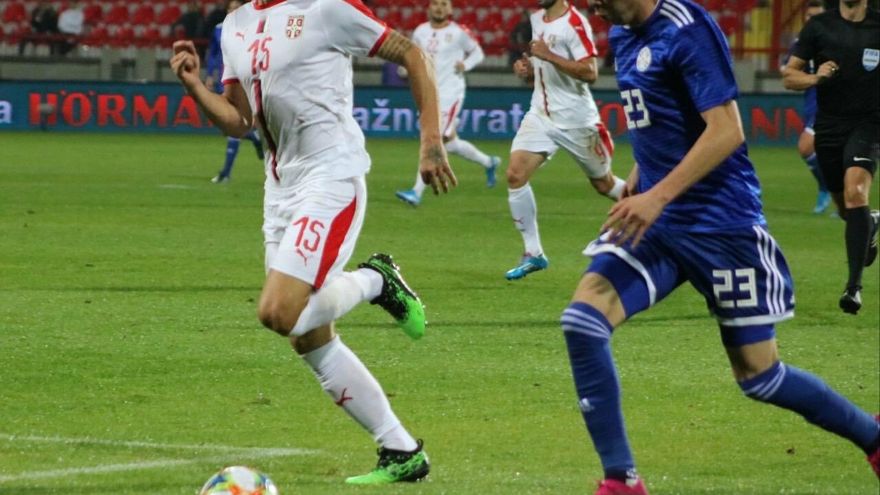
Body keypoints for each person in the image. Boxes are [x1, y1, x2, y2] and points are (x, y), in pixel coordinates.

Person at [562, 0, 880, 493]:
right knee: (583, 322)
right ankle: (622, 480)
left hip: (720, 224)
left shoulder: (687, 28)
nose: (593, 6)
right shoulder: (623, 33)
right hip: (659, 224)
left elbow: (727, 129)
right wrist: (642, 177)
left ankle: (874, 439)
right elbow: (663, 121)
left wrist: (657, 195)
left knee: (760, 377)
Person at [169, 0, 456, 484]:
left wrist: (431, 140)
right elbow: (240, 121)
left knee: (278, 313)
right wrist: (195, 86)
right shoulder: (234, 26)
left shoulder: (326, 9)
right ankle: (401, 450)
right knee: (307, 336)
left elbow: (413, 54)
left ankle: (375, 280)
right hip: (280, 191)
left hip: (332, 177)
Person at [504, 0, 626, 281]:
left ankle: (655, 211)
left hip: (576, 119)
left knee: (604, 184)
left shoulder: (575, 23)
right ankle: (533, 253)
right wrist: (528, 70)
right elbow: (542, 70)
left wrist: (548, 56)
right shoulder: (536, 19)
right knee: (515, 175)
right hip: (541, 113)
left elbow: (590, 72)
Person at [783, 0, 879, 314]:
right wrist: (816, 78)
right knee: (846, 207)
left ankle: (853, 288)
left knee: (856, 192)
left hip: (869, 125)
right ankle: (869, 223)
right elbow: (789, 76)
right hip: (829, 127)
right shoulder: (819, 26)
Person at [394, 0, 500, 207]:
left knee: (433, 137)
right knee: (449, 143)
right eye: (435, 3)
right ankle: (489, 162)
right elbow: (414, 55)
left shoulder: (459, 32)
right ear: (429, 8)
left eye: (444, 4)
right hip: (429, 92)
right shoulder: (420, 31)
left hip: (451, 93)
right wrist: (407, 68)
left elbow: (478, 52)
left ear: (450, 9)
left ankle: (416, 192)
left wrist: (465, 64)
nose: (439, 7)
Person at [203, 0, 264, 184]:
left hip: (243, 80)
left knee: (233, 125)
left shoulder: (253, 27)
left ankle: (226, 173)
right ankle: (255, 138)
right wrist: (210, 75)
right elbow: (213, 54)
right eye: (231, 8)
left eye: (237, 8)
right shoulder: (219, 29)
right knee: (229, 124)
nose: (234, 11)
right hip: (224, 79)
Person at [782, 0, 831, 214]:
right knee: (812, 149)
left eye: (817, 16)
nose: (813, 20)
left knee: (806, 146)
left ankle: (834, 191)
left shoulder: (836, 40)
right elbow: (787, 72)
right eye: (810, 16)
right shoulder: (801, 42)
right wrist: (809, 78)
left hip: (832, 102)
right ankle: (829, 188)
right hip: (812, 100)